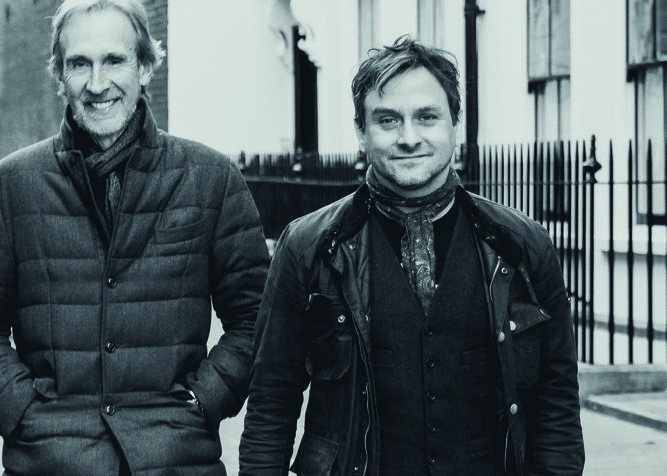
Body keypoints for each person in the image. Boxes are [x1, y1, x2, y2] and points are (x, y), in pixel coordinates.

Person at [0, 1, 270, 474]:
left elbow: (258, 316)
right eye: (80, 63)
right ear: (60, 74)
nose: (97, 84)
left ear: (145, 67)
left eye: (114, 60)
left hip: (176, 460)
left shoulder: (211, 179)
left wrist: (204, 401)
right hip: (50, 461)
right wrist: (23, 412)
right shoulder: (6, 187)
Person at [238, 36, 584, 475]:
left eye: (427, 117)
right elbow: (272, 402)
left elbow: (556, 406)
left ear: (455, 123)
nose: (408, 137)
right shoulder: (308, 247)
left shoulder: (521, 245)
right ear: (361, 131)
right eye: (388, 120)